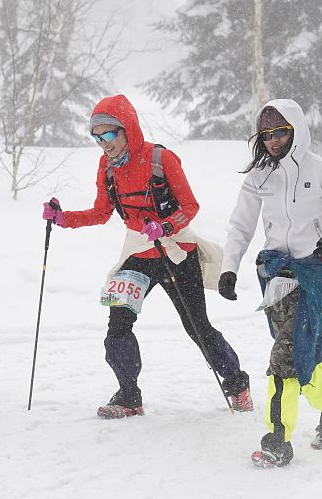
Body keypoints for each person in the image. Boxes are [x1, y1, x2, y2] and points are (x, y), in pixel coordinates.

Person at [42, 94, 251, 418]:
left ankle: (237, 385)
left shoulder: (160, 159)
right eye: (97, 137)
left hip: (176, 250)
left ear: (127, 129)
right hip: (138, 251)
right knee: (118, 325)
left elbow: (190, 206)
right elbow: (101, 212)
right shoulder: (107, 167)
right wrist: (63, 218)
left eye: (109, 134)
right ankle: (129, 397)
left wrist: (165, 226)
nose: (104, 143)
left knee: (197, 327)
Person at [219, 99, 322, 468]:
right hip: (276, 275)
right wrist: (229, 268)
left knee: (284, 358)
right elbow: (241, 225)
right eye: (266, 134)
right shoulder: (259, 177)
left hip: (315, 274)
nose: (273, 140)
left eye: (280, 132)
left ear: (296, 130)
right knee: (301, 355)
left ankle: (277, 440)